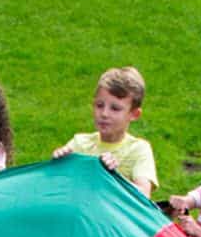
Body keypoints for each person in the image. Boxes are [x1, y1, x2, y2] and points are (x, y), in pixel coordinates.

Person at [51, 66, 156, 196]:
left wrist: (112, 177)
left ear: (134, 114)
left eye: (115, 108)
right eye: (99, 105)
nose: (104, 114)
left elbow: (144, 194)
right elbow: (58, 185)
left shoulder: (138, 149)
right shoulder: (80, 143)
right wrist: (59, 164)